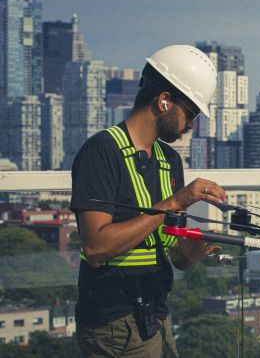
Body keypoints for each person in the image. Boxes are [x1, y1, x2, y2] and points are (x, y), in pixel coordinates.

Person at [70, 45, 226, 357]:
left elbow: (171, 252)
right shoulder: (101, 152)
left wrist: (188, 254)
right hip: (115, 325)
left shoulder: (169, 160)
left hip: (155, 314)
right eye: (191, 112)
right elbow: (96, 247)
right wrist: (174, 202)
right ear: (164, 101)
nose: (192, 125)